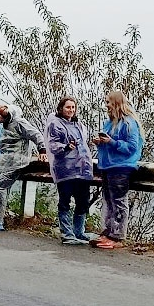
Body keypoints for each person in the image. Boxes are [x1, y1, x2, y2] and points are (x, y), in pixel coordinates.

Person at [0, 105, 47, 232]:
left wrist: (42, 149)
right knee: (2, 189)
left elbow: (35, 134)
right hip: (5, 162)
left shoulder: (19, 123)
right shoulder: (5, 125)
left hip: (17, 162)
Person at [93, 90, 144, 249]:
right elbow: (110, 143)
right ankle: (107, 231)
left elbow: (132, 147)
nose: (106, 105)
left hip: (122, 167)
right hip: (107, 166)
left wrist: (111, 142)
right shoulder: (109, 123)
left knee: (119, 202)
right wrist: (101, 142)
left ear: (116, 103)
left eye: (108, 102)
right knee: (108, 201)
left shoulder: (129, 123)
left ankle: (117, 236)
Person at [46, 96, 94, 245]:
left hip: (82, 168)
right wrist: (66, 146)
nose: (71, 110)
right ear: (61, 108)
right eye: (68, 107)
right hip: (65, 169)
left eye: (73, 107)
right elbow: (52, 145)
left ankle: (79, 231)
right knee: (65, 201)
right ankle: (67, 233)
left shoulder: (78, 124)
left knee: (83, 202)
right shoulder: (55, 124)